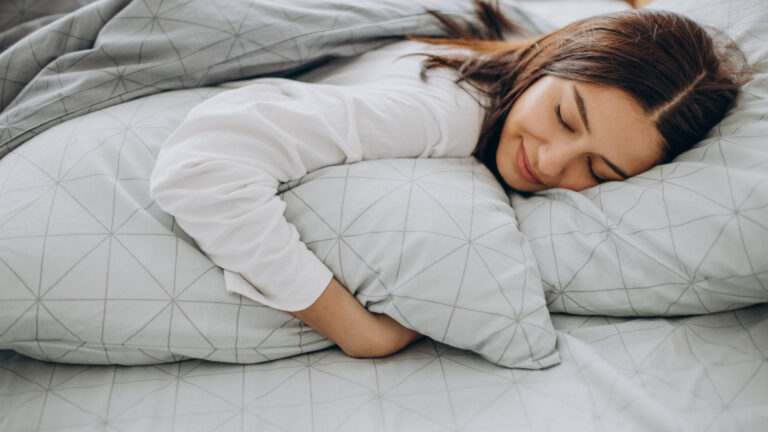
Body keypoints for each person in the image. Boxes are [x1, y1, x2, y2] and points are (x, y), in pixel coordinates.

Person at [149, 1, 749, 359]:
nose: (551, 161)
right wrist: (358, 331)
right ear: (554, 58)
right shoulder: (442, 113)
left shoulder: (513, 52)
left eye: (597, 170)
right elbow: (203, 164)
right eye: (565, 117)